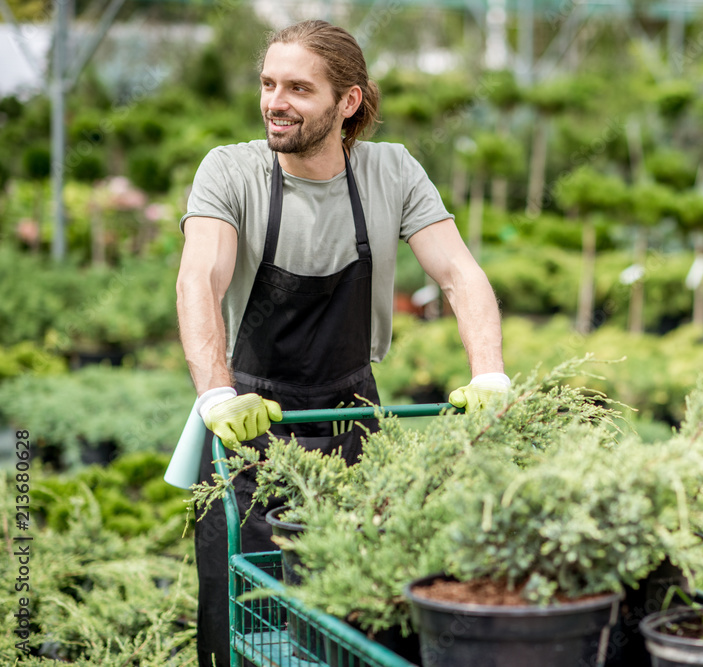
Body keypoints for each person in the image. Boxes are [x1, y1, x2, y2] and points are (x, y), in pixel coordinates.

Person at [175, 20, 509, 667]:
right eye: (269, 83)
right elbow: (199, 278)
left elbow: (459, 274)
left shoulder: (391, 172)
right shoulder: (231, 171)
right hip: (246, 430)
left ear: (347, 101)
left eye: (299, 87)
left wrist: (489, 373)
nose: (275, 101)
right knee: (240, 616)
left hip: (356, 419)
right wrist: (217, 392)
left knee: (360, 615)